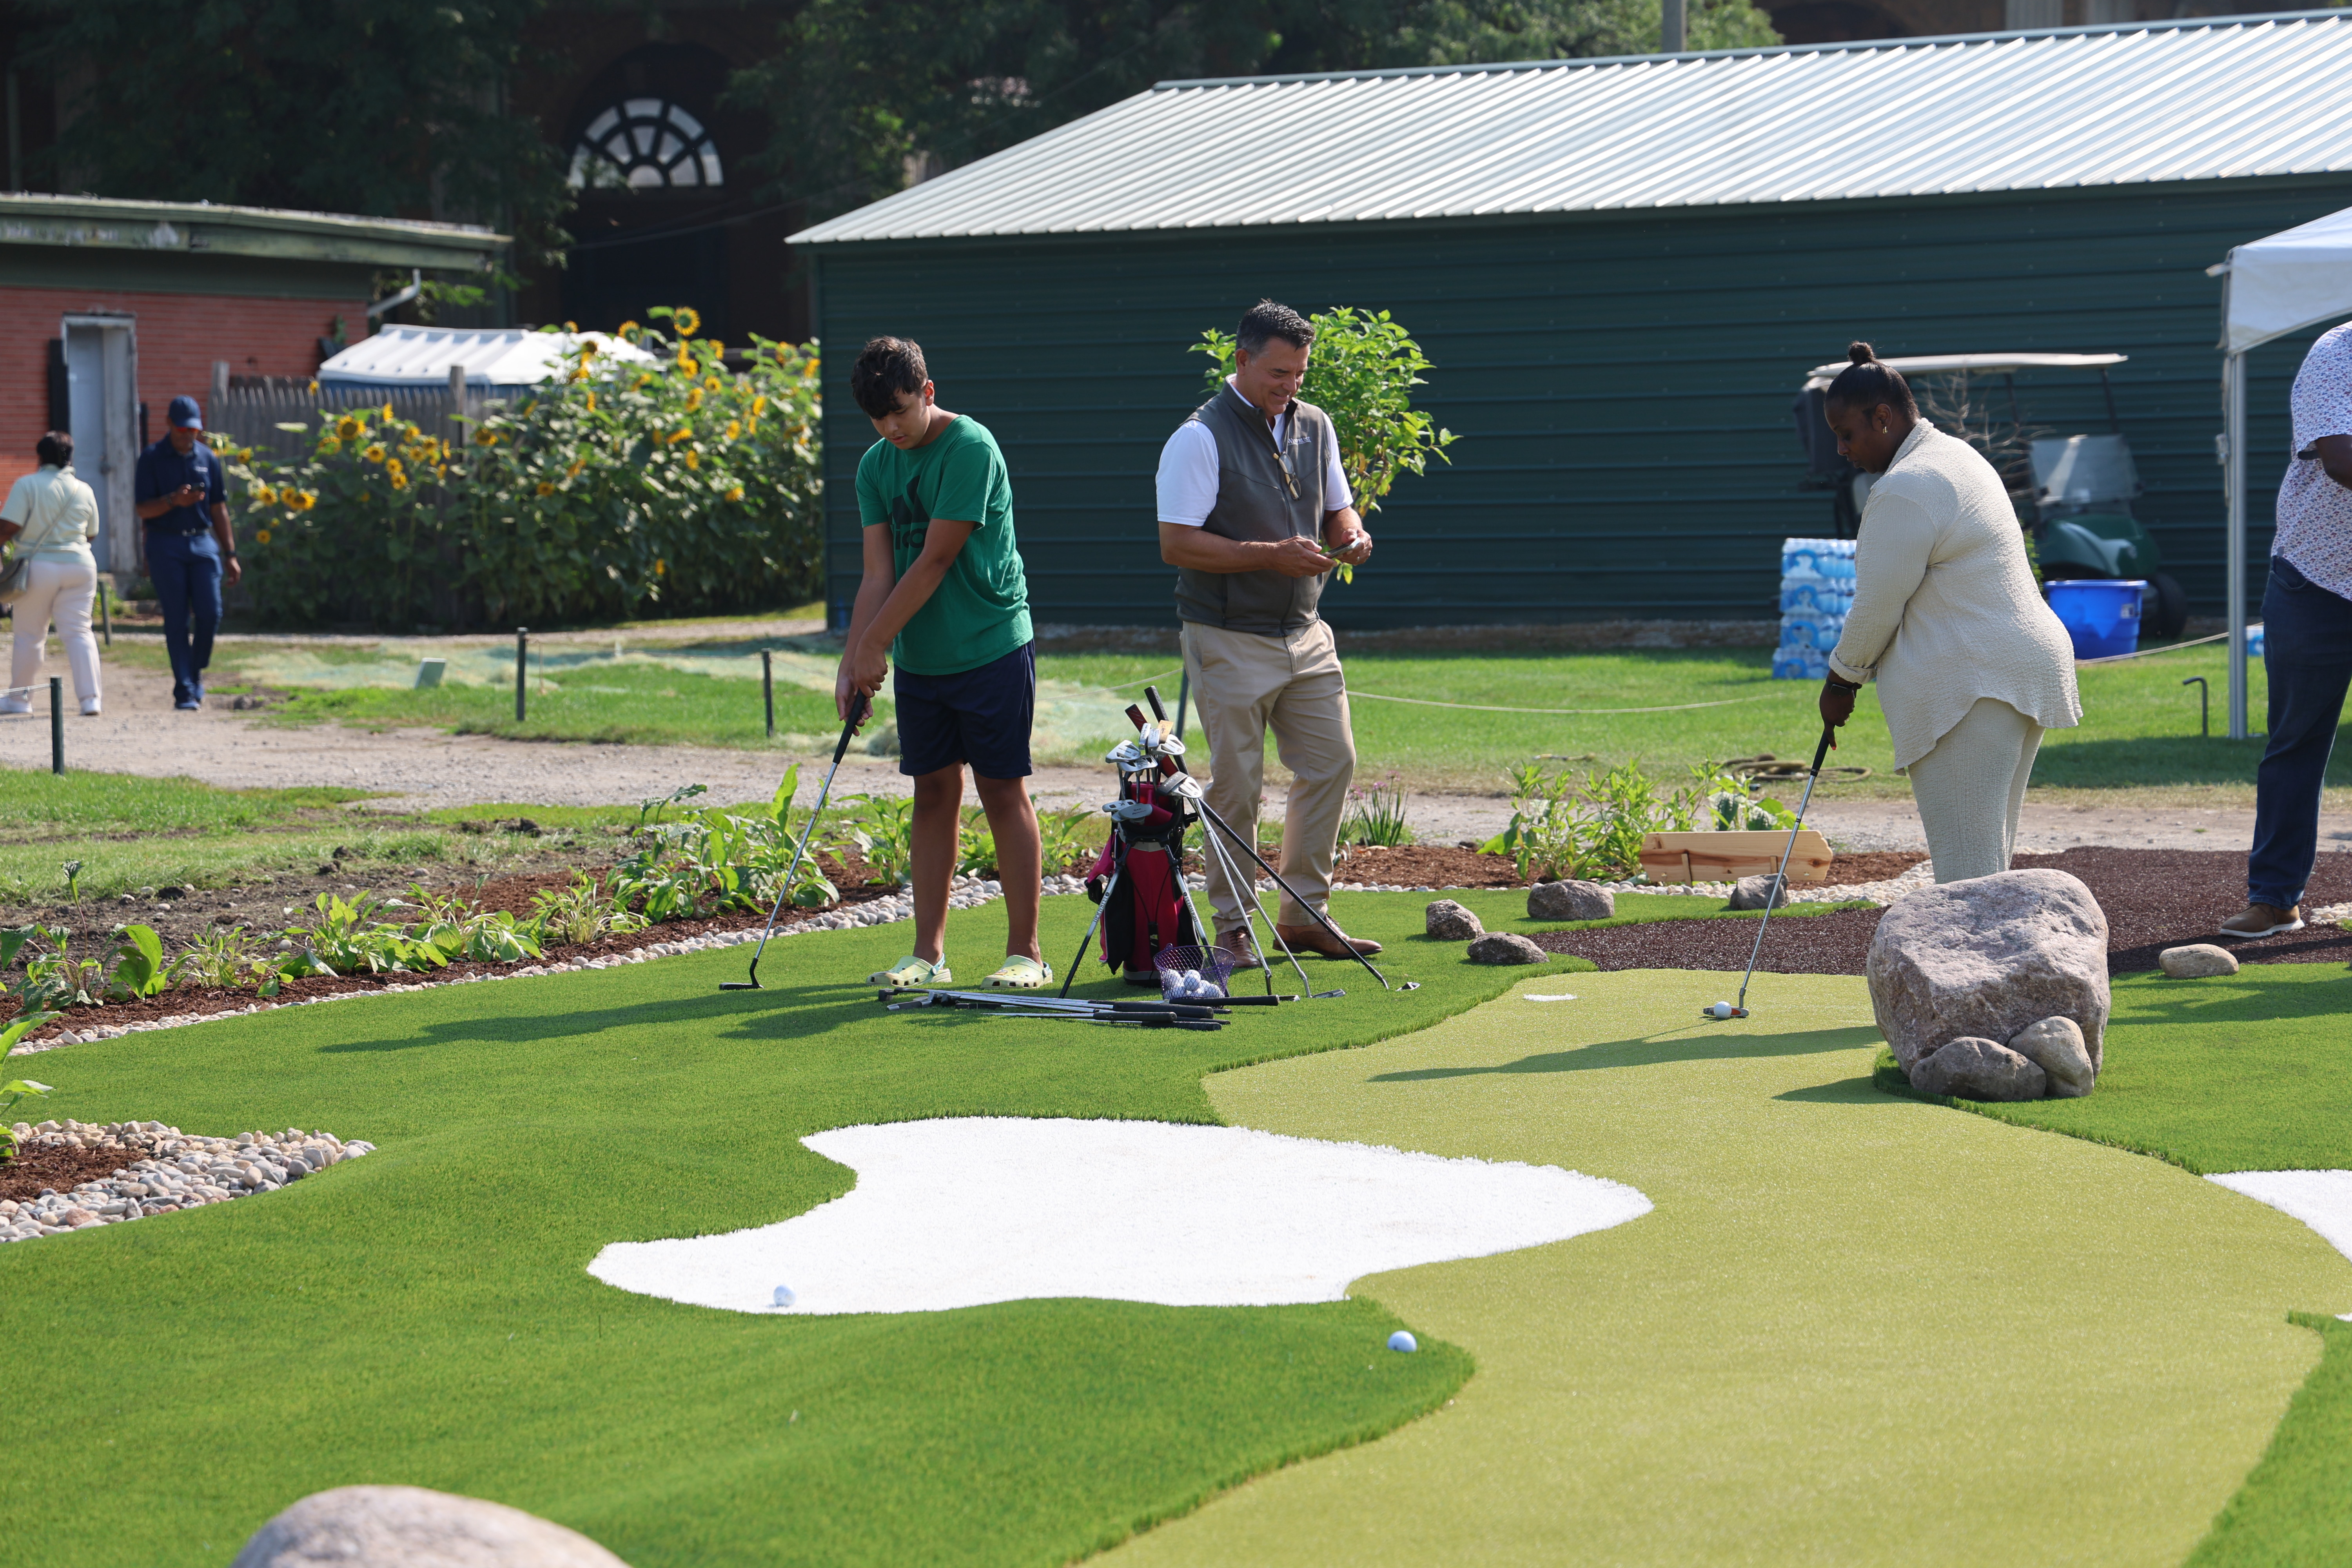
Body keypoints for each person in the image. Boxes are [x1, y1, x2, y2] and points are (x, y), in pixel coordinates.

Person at [1156, 299, 1379, 967]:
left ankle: (1306, 916)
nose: (1292, 386)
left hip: (1307, 630)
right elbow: (1177, 544)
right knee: (1237, 788)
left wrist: (1352, 534)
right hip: (1226, 634)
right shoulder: (1198, 437)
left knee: (1333, 763)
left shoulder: (1317, 424)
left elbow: (1338, 508)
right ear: (1242, 360)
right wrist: (1270, 555)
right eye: (1279, 373)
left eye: (1301, 374)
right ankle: (1232, 926)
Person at [1817, 342, 2081, 882]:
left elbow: (1877, 605)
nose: (1842, 450)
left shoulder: (1905, 487)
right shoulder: (1957, 455)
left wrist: (1841, 682)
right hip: (2014, 670)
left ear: (1883, 418)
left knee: (1968, 878)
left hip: (1972, 685)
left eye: (1847, 434)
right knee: (1990, 868)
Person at [837, 336, 1047, 990]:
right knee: (931, 794)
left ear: (928, 393)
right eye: (878, 418)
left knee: (1001, 789)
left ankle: (1027, 954)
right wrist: (852, 662)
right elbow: (878, 575)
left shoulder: (970, 448)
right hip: (923, 657)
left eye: (901, 410)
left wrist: (875, 645)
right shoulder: (875, 466)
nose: (891, 428)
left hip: (990, 645)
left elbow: (935, 560)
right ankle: (927, 954)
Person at [2224, 321, 2352, 940]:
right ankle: (2275, 900)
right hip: (2317, 581)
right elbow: (2342, 459)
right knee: (2296, 743)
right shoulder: (2337, 353)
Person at [133, 394, 240, 711]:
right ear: (169, 424)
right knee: (177, 618)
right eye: (182, 429)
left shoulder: (208, 458)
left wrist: (231, 553)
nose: (187, 435)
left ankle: (195, 671)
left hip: (202, 543)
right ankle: (184, 690)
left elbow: (219, 508)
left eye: (193, 430)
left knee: (211, 612)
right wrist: (173, 501)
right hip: (166, 544)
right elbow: (142, 509)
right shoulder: (151, 458)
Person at [0, 431, 104, 718]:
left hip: (38, 567)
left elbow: (9, 527)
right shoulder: (84, 489)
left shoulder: (27, 485)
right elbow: (92, 532)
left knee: (30, 636)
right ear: (71, 457)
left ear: (40, 457)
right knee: (80, 632)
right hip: (81, 566)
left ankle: (20, 701)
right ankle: (91, 700)